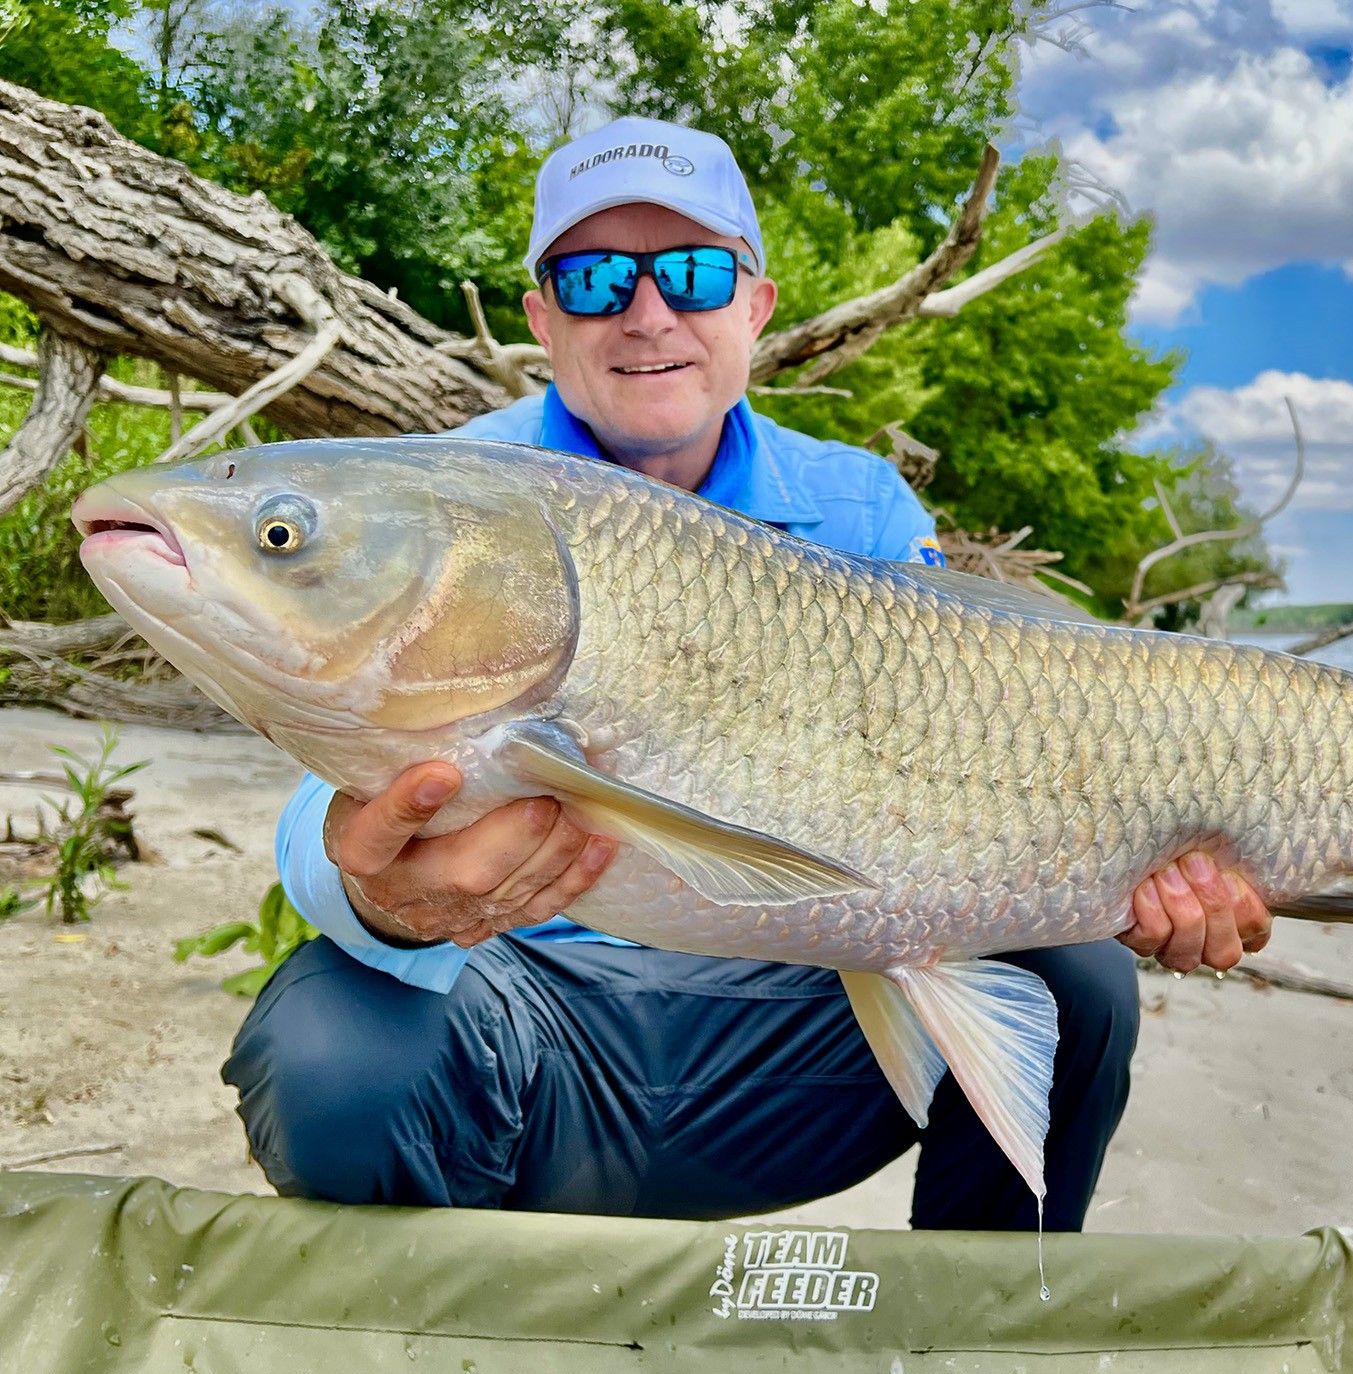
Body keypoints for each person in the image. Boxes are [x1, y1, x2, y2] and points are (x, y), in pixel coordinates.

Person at [222, 117, 1271, 1230]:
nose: (649, 313)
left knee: (1080, 981)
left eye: (692, 272)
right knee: (324, 1051)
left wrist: (1158, 865)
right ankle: (467, 1363)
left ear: (754, 308)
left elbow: (1004, 753)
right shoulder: (436, 493)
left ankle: (973, 1353)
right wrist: (381, 894)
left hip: (796, 1026)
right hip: (522, 1022)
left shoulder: (860, 509)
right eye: (593, 281)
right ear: (541, 320)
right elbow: (320, 803)